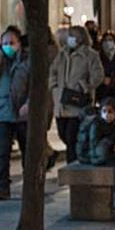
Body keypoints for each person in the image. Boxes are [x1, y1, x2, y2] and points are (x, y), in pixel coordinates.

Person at [0, 25, 30, 201]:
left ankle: (30, 187)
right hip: (3, 113)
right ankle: (3, 187)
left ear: (19, 44)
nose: (8, 46)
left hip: (23, 113)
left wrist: (28, 104)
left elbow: (35, 85)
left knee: (27, 152)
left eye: (12, 42)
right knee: (3, 153)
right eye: (5, 43)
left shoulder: (27, 60)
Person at [49, 25, 104, 164]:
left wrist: (86, 85)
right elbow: (53, 71)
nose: (69, 38)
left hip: (78, 104)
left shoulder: (90, 55)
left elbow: (98, 75)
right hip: (62, 102)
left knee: (71, 136)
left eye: (72, 35)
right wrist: (54, 86)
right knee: (63, 135)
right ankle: (77, 158)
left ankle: (73, 165)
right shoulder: (62, 54)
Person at [96, 30, 115, 105]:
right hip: (103, 92)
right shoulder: (98, 57)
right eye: (105, 40)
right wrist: (102, 79)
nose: (107, 43)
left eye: (110, 40)